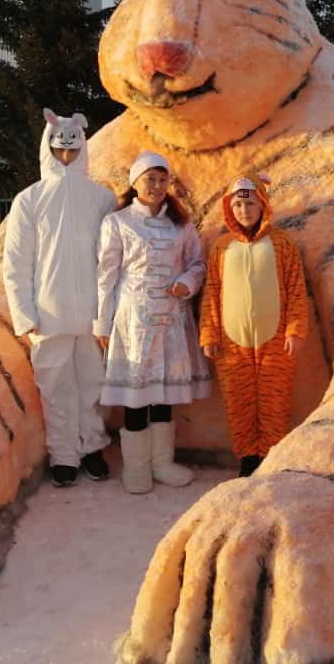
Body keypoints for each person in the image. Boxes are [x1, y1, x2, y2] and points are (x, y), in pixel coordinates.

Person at [3, 108, 117, 487]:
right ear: (48, 148)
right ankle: (63, 454)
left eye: (72, 149)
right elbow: (16, 263)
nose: (66, 156)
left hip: (91, 314)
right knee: (55, 388)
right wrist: (25, 314)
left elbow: (111, 260)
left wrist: (108, 312)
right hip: (48, 314)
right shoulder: (29, 200)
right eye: (59, 149)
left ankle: (92, 446)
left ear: (82, 147)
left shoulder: (102, 198)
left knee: (92, 384)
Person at [94, 151, 212, 494]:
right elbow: (106, 275)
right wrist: (102, 322)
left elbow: (198, 264)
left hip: (172, 320)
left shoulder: (182, 224)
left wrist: (186, 283)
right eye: (150, 179)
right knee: (136, 394)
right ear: (135, 183)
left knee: (164, 393)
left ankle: (162, 463)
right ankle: (136, 466)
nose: (157, 186)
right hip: (133, 321)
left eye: (162, 180)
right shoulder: (116, 223)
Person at [200, 173, 309, 477]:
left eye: (250, 204)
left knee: (275, 399)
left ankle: (271, 457)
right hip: (231, 341)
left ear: (263, 205)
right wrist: (208, 333)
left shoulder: (283, 244)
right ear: (229, 209)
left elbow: (297, 288)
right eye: (237, 205)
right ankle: (248, 457)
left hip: (275, 339)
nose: (244, 211)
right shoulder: (221, 248)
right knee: (238, 400)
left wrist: (295, 329)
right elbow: (211, 291)